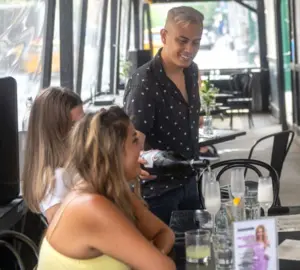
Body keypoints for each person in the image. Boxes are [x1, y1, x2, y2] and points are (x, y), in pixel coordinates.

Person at [36, 107, 175, 270]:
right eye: (134, 140)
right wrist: (149, 260)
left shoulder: (111, 192)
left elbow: (165, 233)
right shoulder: (91, 206)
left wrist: (148, 260)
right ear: (114, 152)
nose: (141, 148)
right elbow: (164, 267)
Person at [124, 6, 204, 224]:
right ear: (164, 36)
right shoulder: (145, 82)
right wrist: (135, 165)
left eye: (196, 42)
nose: (190, 49)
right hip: (158, 193)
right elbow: (132, 141)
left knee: (197, 251)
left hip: (190, 182)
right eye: (182, 40)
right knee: (167, 256)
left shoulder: (192, 71)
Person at [22, 87, 84, 223]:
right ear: (55, 132)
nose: (83, 131)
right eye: (74, 126)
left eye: (83, 123)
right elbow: (66, 237)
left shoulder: (73, 165)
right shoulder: (56, 180)